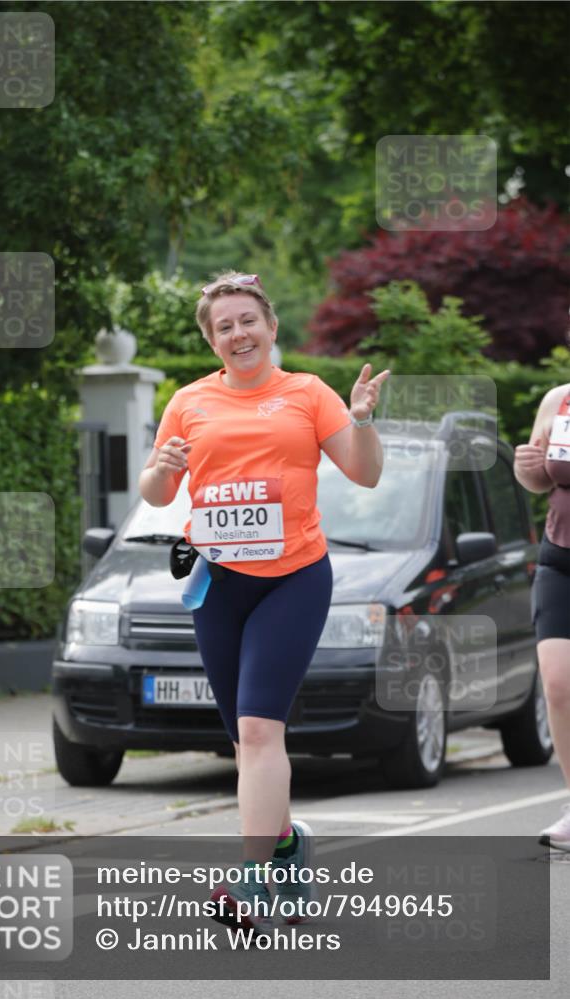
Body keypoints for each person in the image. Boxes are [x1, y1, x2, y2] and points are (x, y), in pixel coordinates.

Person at [138, 270, 389, 932]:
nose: (238, 333)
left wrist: (360, 421)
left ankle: (249, 883)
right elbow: (157, 492)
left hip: (293, 578)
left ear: (271, 327)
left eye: (248, 320)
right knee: (242, 739)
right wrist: (161, 470)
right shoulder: (189, 401)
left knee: (257, 730)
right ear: (211, 340)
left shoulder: (307, 394)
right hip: (216, 584)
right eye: (223, 327)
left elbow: (364, 472)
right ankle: (283, 845)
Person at [514, 382, 570, 853]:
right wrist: (527, 469)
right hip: (560, 558)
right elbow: (539, 478)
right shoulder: (558, 399)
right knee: (557, 682)